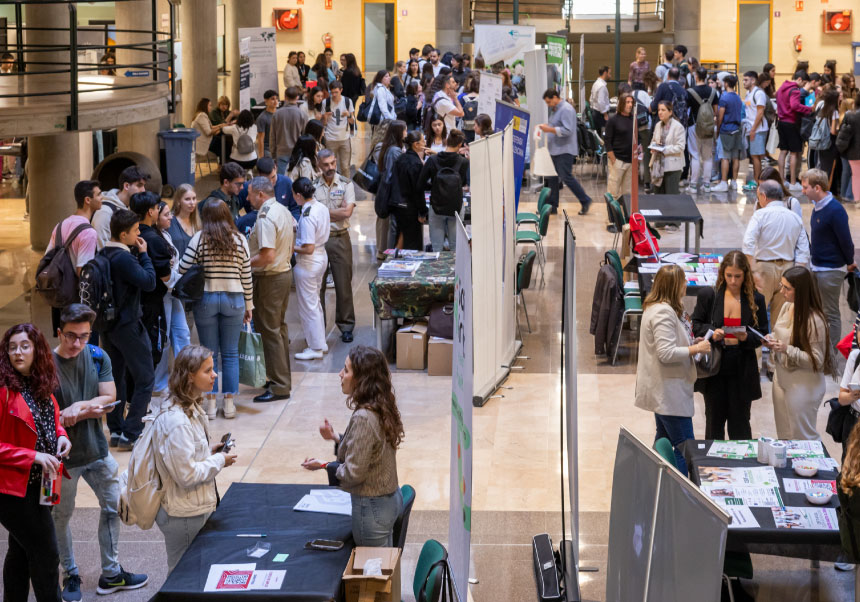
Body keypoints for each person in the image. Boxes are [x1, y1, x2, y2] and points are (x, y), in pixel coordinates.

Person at [51, 305, 147, 601]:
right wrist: (89, 410)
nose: (78, 343)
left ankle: (111, 573)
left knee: (112, 507)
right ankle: (70, 573)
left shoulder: (97, 355)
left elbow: (110, 399)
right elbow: (50, 416)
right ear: (59, 332)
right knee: (60, 517)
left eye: (84, 336)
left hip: (98, 451)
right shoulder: (47, 365)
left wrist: (78, 408)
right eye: (71, 336)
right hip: (63, 459)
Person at [302, 345, 404, 546]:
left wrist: (325, 466)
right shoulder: (380, 405)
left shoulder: (363, 417)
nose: (340, 374)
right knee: (385, 569)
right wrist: (336, 438)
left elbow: (353, 473)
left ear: (362, 379)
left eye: (346, 370)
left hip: (373, 509)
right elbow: (370, 449)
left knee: (375, 573)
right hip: (388, 500)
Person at [0, 323, 72, 602]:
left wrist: (62, 436)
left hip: (37, 484)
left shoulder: (40, 382)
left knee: (20, 552)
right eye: (12, 347)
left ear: (36, 349)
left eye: (24, 346)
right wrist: (34, 456)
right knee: (46, 553)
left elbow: (51, 420)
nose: (18, 352)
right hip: (10, 489)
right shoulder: (4, 390)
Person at [152, 345, 236, 573]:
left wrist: (209, 453)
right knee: (183, 577)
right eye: (208, 371)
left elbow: (184, 458)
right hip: (185, 515)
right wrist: (220, 461)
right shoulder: (177, 421)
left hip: (190, 507)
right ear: (190, 376)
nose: (215, 375)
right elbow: (186, 475)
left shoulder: (190, 405)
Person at [178, 199, 252, 419]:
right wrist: (249, 305)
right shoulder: (239, 239)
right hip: (234, 298)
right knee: (230, 353)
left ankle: (210, 404)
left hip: (206, 299)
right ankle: (229, 404)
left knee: (209, 354)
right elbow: (246, 275)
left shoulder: (199, 239)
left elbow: (183, 267)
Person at [635, 265, 710, 474]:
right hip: (670, 394)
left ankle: (652, 482)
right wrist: (696, 348)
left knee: (663, 441)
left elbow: (672, 341)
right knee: (684, 449)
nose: (686, 284)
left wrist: (692, 341)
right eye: (683, 280)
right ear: (674, 285)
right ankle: (682, 494)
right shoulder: (663, 313)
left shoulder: (663, 308)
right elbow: (666, 353)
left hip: (667, 392)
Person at [692, 251, 768, 440]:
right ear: (722, 274)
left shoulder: (756, 299)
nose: (733, 281)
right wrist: (713, 332)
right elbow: (696, 325)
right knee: (714, 424)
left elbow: (762, 334)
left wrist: (745, 338)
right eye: (729, 276)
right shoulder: (709, 295)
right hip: (716, 369)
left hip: (742, 368)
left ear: (745, 275)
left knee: (741, 425)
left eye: (737, 276)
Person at [100, 210, 156, 450]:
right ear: (123, 234)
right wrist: (144, 255)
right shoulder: (124, 258)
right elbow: (149, 281)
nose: (139, 233)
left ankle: (116, 429)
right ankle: (132, 433)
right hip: (128, 325)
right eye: (135, 230)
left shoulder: (103, 252)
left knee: (118, 377)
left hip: (108, 325)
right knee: (145, 378)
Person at [765, 266, 830, 440]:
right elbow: (781, 334)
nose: (781, 291)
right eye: (782, 285)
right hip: (781, 378)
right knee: (784, 436)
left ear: (800, 291)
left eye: (787, 288)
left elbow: (817, 360)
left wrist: (787, 349)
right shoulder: (787, 307)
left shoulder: (815, 320)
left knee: (802, 438)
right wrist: (770, 339)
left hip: (803, 384)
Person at [248, 176, 295, 402]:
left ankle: (279, 386)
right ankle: (280, 377)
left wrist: (244, 263)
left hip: (270, 278)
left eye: (249, 194)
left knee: (270, 332)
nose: (247, 199)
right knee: (279, 328)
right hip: (284, 274)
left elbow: (267, 256)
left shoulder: (265, 216)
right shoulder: (283, 210)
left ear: (260, 194)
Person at [803, 168, 856, 366]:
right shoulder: (818, 206)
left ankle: (830, 355)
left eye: (806, 187)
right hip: (817, 267)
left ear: (818, 187)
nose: (803, 191)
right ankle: (819, 347)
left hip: (830, 270)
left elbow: (846, 241)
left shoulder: (835, 210)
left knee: (831, 312)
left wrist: (850, 262)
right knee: (818, 310)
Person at [743, 180, 809, 337]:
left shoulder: (760, 215)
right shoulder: (794, 217)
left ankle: (756, 360)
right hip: (788, 270)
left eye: (758, 195)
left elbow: (748, 244)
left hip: (763, 269)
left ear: (764, 196)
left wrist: (752, 271)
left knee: (755, 317)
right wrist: (796, 275)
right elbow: (804, 251)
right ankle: (777, 361)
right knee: (782, 321)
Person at [44, 180, 102, 330]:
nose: (102, 197)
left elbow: (47, 258)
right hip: (78, 300)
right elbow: (82, 271)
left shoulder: (60, 225)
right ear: (88, 200)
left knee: (66, 341)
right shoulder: (88, 232)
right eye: (99, 194)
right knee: (83, 344)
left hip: (60, 296)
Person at [314, 150, 356, 344]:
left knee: (343, 284)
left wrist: (323, 212)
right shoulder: (313, 186)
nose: (330, 168)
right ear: (318, 165)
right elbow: (311, 213)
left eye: (332, 163)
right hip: (319, 240)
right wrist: (336, 212)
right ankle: (317, 328)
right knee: (318, 286)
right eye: (326, 165)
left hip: (340, 238)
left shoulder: (346, 183)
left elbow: (347, 212)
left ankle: (346, 326)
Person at [131, 192, 173, 370]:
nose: (158, 211)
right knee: (151, 354)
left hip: (132, 303)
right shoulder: (154, 239)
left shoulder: (128, 235)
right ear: (150, 212)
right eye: (157, 208)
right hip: (151, 304)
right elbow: (166, 276)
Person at [153, 201, 190, 398]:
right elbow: (164, 272)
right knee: (164, 338)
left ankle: (184, 380)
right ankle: (159, 385)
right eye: (166, 214)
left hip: (173, 291)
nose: (171, 217)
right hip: (164, 292)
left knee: (183, 334)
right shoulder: (152, 237)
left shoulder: (166, 234)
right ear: (155, 217)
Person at [291, 178, 330, 360]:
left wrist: (290, 247)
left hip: (308, 262)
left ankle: (315, 347)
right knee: (315, 304)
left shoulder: (307, 215)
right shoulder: (321, 207)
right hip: (321, 258)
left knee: (308, 306)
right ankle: (320, 342)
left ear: (298, 195)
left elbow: (308, 247)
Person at [539, 89, 593, 214]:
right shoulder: (556, 110)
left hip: (564, 150)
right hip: (555, 150)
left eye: (549, 102)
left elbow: (567, 130)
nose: (548, 105)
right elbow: (555, 125)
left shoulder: (566, 110)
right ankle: (552, 206)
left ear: (555, 98)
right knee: (552, 177)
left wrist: (549, 129)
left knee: (566, 177)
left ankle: (585, 200)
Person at [419, 129, 468, 252]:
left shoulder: (432, 160)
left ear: (447, 142)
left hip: (436, 206)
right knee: (455, 247)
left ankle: (438, 270)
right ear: (459, 144)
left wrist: (434, 186)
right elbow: (463, 183)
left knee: (436, 247)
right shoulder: (463, 162)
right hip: (456, 207)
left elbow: (420, 184)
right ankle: (454, 271)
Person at [236, 157, 299, 233]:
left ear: (275, 168)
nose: (271, 182)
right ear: (259, 175)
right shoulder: (249, 188)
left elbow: (295, 208)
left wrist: (294, 222)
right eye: (267, 180)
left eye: (273, 177)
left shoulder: (287, 183)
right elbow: (236, 207)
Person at [776, 71, 815, 192]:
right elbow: (794, 105)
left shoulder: (782, 87)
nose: (802, 86)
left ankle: (782, 180)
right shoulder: (795, 90)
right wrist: (808, 109)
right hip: (791, 123)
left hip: (781, 122)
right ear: (799, 79)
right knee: (794, 153)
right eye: (803, 83)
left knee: (783, 152)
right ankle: (793, 182)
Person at [92, 166, 148, 249]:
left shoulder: (129, 207)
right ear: (126, 186)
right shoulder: (104, 212)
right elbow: (102, 249)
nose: (143, 190)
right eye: (139, 185)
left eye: (144, 185)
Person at [374, 121, 407, 254]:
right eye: (404, 130)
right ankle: (391, 255)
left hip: (390, 192)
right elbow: (397, 172)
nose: (406, 133)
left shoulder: (390, 148)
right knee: (394, 227)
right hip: (394, 194)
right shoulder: (395, 151)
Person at [392, 131, 428, 250]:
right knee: (412, 243)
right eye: (423, 141)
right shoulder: (416, 163)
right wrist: (422, 211)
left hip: (398, 204)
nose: (425, 142)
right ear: (416, 144)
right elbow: (418, 190)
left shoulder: (401, 158)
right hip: (410, 208)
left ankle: (397, 262)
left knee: (401, 235)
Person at [685, 67, 719, 193]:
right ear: (705, 77)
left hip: (694, 125)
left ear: (696, 76)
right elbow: (715, 111)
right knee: (707, 156)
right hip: (709, 126)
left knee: (695, 154)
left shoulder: (689, 92)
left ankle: (693, 185)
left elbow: (686, 110)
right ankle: (706, 185)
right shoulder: (713, 92)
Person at [711, 75, 745, 192]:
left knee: (724, 157)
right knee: (735, 157)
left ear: (726, 83)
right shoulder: (738, 97)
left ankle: (724, 182)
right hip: (737, 129)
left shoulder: (724, 98)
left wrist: (718, 129)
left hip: (726, 130)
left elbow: (720, 116)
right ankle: (734, 182)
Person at [605, 92, 637, 202]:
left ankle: (625, 216)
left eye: (631, 102)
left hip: (630, 161)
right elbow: (607, 140)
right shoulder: (613, 120)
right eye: (627, 102)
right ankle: (611, 217)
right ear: (622, 104)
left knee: (627, 194)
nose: (630, 105)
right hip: (617, 160)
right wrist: (613, 159)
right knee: (613, 192)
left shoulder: (633, 119)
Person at [650, 100, 686, 195]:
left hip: (672, 167)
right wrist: (654, 147)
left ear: (670, 112)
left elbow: (680, 147)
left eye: (663, 110)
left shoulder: (678, 127)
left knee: (671, 197)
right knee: (658, 197)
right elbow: (653, 140)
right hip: (658, 166)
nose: (660, 112)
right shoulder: (658, 125)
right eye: (658, 110)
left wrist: (664, 149)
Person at [270, 86, 308, 174]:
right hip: (298, 153)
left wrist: (273, 154)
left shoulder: (277, 114)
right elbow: (305, 136)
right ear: (297, 97)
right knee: (296, 180)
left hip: (281, 151)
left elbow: (272, 136)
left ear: (285, 97)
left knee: (282, 180)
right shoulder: (302, 114)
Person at [323, 81, 354, 178]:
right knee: (330, 167)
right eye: (332, 92)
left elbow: (352, 121)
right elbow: (323, 124)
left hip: (344, 139)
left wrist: (348, 115)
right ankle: (332, 187)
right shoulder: (326, 102)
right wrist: (325, 117)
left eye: (336, 92)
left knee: (345, 167)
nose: (334, 95)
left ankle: (346, 187)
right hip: (330, 139)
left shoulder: (348, 101)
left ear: (341, 90)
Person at [742, 70, 769, 183]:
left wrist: (753, 129)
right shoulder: (749, 93)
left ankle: (758, 181)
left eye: (746, 80)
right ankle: (757, 180)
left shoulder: (759, 93)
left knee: (756, 156)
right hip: (752, 129)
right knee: (754, 156)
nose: (743, 82)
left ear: (753, 80)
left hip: (758, 129)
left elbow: (760, 113)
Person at [814, 87, 841, 182]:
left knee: (821, 166)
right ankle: (825, 190)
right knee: (828, 169)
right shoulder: (834, 112)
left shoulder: (823, 109)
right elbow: (833, 131)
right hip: (830, 142)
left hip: (821, 141)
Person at [837, 92, 860, 201]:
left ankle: (844, 194)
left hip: (847, 149)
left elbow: (843, 133)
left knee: (847, 173)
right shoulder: (850, 114)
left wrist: (841, 148)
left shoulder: (849, 114)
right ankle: (850, 196)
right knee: (855, 175)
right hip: (855, 150)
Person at [168, 183, 199, 260]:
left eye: (194, 198)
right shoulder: (170, 221)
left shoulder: (198, 221)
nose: (192, 203)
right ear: (178, 201)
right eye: (187, 199)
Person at [255, 90, 279, 159]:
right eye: (272, 99)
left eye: (276, 99)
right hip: (268, 151)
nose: (275, 101)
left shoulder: (280, 114)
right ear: (266, 101)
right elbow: (260, 139)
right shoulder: (262, 118)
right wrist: (261, 157)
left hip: (279, 149)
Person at [589, 66, 611, 132]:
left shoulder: (595, 83)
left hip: (595, 112)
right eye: (609, 73)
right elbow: (601, 102)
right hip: (600, 115)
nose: (610, 75)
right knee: (604, 134)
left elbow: (590, 98)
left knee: (598, 134)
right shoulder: (602, 86)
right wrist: (605, 114)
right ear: (605, 73)